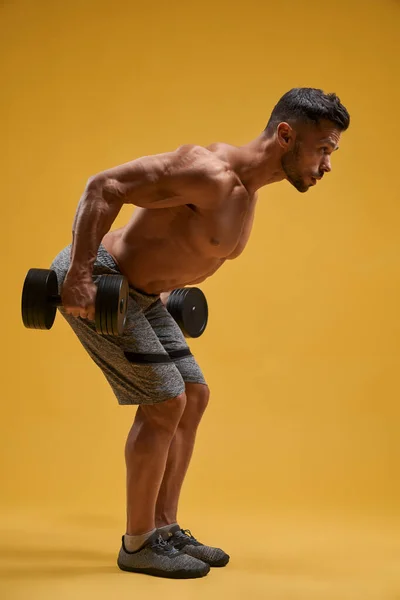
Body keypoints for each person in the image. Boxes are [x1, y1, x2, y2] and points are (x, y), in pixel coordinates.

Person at [50, 87, 350, 579]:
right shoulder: (207, 172)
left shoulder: (247, 194)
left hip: (145, 296)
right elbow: (103, 186)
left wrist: (169, 291)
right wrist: (79, 274)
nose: (327, 165)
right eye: (324, 149)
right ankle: (138, 542)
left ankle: (164, 529)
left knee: (194, 393)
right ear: (285, 135)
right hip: (105, 281)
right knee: (166, 401)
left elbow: (182, 247)